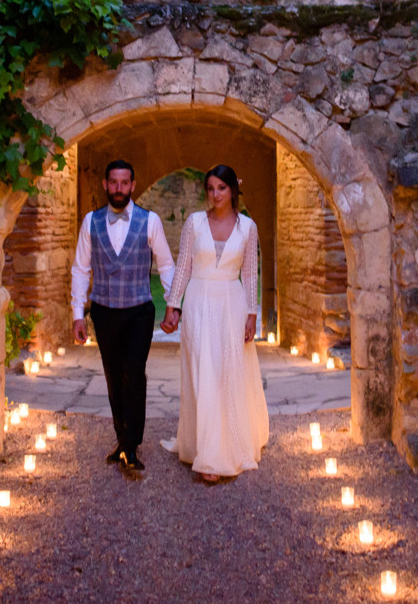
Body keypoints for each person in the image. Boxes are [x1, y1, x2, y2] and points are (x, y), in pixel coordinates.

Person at [160, 165, 270, 481]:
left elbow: (250, 273)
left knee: (227, 369)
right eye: (210, 188)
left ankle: (228, 444)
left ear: (233, 190)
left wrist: (252, 313)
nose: (215, 194)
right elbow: (183, 266)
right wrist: (173, 305)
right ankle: (206, 452)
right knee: (201, 369)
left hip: (231, 302)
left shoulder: (248, 227)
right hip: (198, 299)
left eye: (221, 188)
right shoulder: (194, 223)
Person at [70, 159, 175, 472]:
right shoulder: (90, 222)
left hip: (139, 309)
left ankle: (132, 444)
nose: (118, 188)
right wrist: (78, 313)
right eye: (113, 183)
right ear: (105, 185)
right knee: (113, 376)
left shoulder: (150, 220)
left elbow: (166, 264)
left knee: (133, 371)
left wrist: (172, 304)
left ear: (132, 184)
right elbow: (80, 268)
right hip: (103, 310)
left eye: (124, 183)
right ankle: (122, 438)